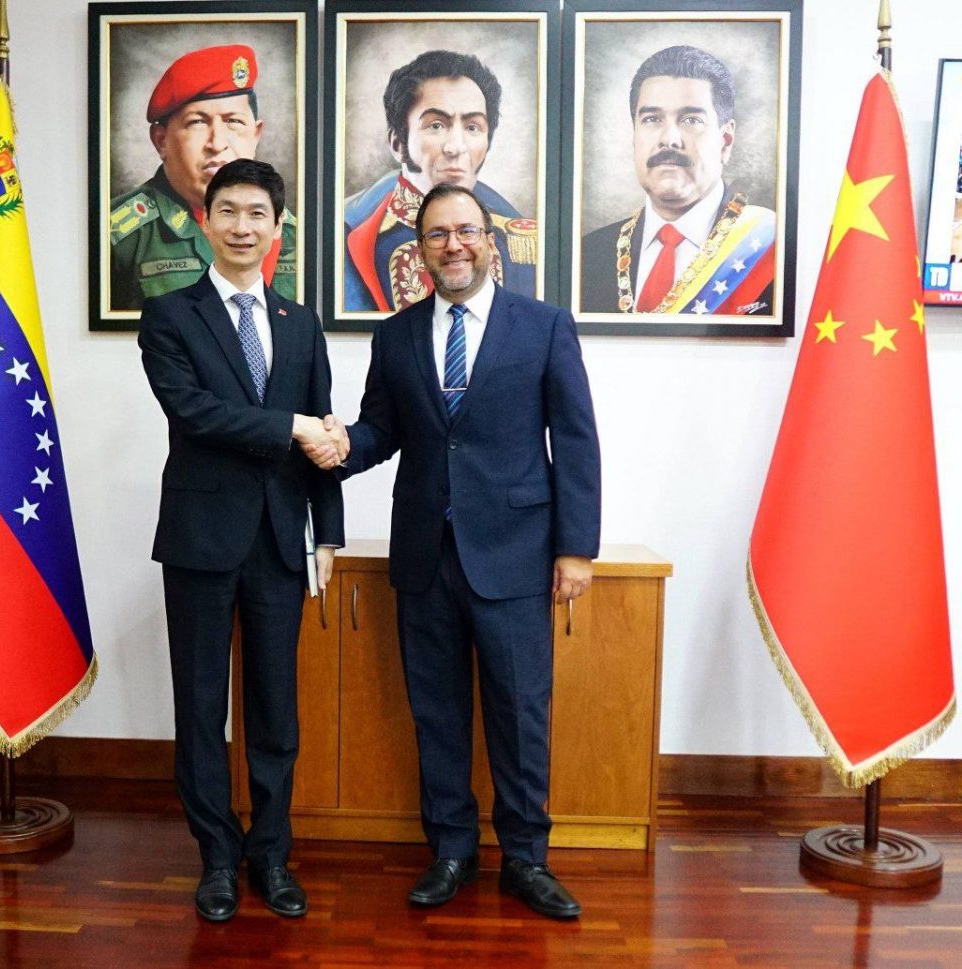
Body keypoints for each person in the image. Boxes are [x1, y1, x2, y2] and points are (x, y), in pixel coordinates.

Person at [307, 184, 600, 919]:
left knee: (520, 713)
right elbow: (382, 429)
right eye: (437, 234)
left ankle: (526, 859)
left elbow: (575, 440)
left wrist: (576, 548)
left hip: (517, 555)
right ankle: (451, 851)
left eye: (466, 231)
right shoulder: (396, 336)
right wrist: (339, 445)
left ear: (489, 240)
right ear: (421, 249)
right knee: (436, 713)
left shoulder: (544, 326)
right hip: (425, 556)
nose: (453, 245)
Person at [139, 158, 346, 922]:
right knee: (201, 709)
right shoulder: (170, 315)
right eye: (227, 210)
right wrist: (290, 425)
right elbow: (194, 412)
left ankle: (271, 855)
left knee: (275, 710)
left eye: (257, 213)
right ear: (205, 220)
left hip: (280, 542)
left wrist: (328, 532)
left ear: (277, 226)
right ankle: (217, 859)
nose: (241, 226)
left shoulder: (300, 322)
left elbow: (322, 428)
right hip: (199, 538)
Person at [579, 45, 776, 316]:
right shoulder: (589, 254)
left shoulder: (771, 250)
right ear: (634, 135)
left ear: (725, 141)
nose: (669, 139)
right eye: (652, 119)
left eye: (691, 120)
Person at [343, 49, 538, 313]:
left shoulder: (517, 238)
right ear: (398, 143)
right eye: (436, 125)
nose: (456, 147)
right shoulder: (351, 230)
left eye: (472, 127)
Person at [112, 45, 298, 311]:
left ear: (256, 135)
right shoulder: (120, 236)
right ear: (161, 141)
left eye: (233, 122)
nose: (217, 143)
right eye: (197, 122)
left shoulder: (292, 233)